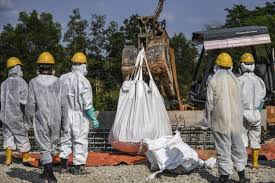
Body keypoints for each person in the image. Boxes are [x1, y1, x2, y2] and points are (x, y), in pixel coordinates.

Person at [205, 52, 249, 183]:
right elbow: (242, 102)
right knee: (238, 148)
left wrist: (207, 121)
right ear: (230, 66)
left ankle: (224, 178)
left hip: (220, 123)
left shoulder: (213, 81)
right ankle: (242, 177)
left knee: (223, 149)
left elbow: (209, 104)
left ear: (217, 65)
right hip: (235, 123)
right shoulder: (237, 80)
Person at [25, 52, 68, 183]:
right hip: (56, 119)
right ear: (51, 67)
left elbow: (30, 104)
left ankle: (50, 174)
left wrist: (27, 122)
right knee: (52, 145)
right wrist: (65, 123)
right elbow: (64, 104)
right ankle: (46, 172)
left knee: (43, 146)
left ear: (39, 67)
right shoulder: (58, 82)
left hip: (40, 118)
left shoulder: (33, 82)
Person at [59, 52, 99, 175]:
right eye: (85, 65)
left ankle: (63, 167)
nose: (86, 68)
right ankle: (78, 168)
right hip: (79, 115)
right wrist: (94, 118)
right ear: (82, 65)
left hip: (65, 114)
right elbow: (87, 104)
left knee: (65, 138)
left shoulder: (63, 78)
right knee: (80, 140)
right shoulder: (84, 81)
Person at [0, 57, 33, 165]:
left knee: (8, 136)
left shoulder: (4, 83)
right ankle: (26, 157)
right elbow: (25, 102)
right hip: (17, 115)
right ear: (17, 67)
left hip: (5, 116)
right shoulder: (21, 82)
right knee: (22, 136)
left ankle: (8, 159)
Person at [239, 53, 266, 169]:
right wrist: (258, 110)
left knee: (243, 138)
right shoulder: (260, 81)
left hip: (243, 112)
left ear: (242, 65)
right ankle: (255, 163)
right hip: (256, 113)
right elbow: (263, 98)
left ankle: (244, 163)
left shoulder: (239, 80)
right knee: (255, 138)